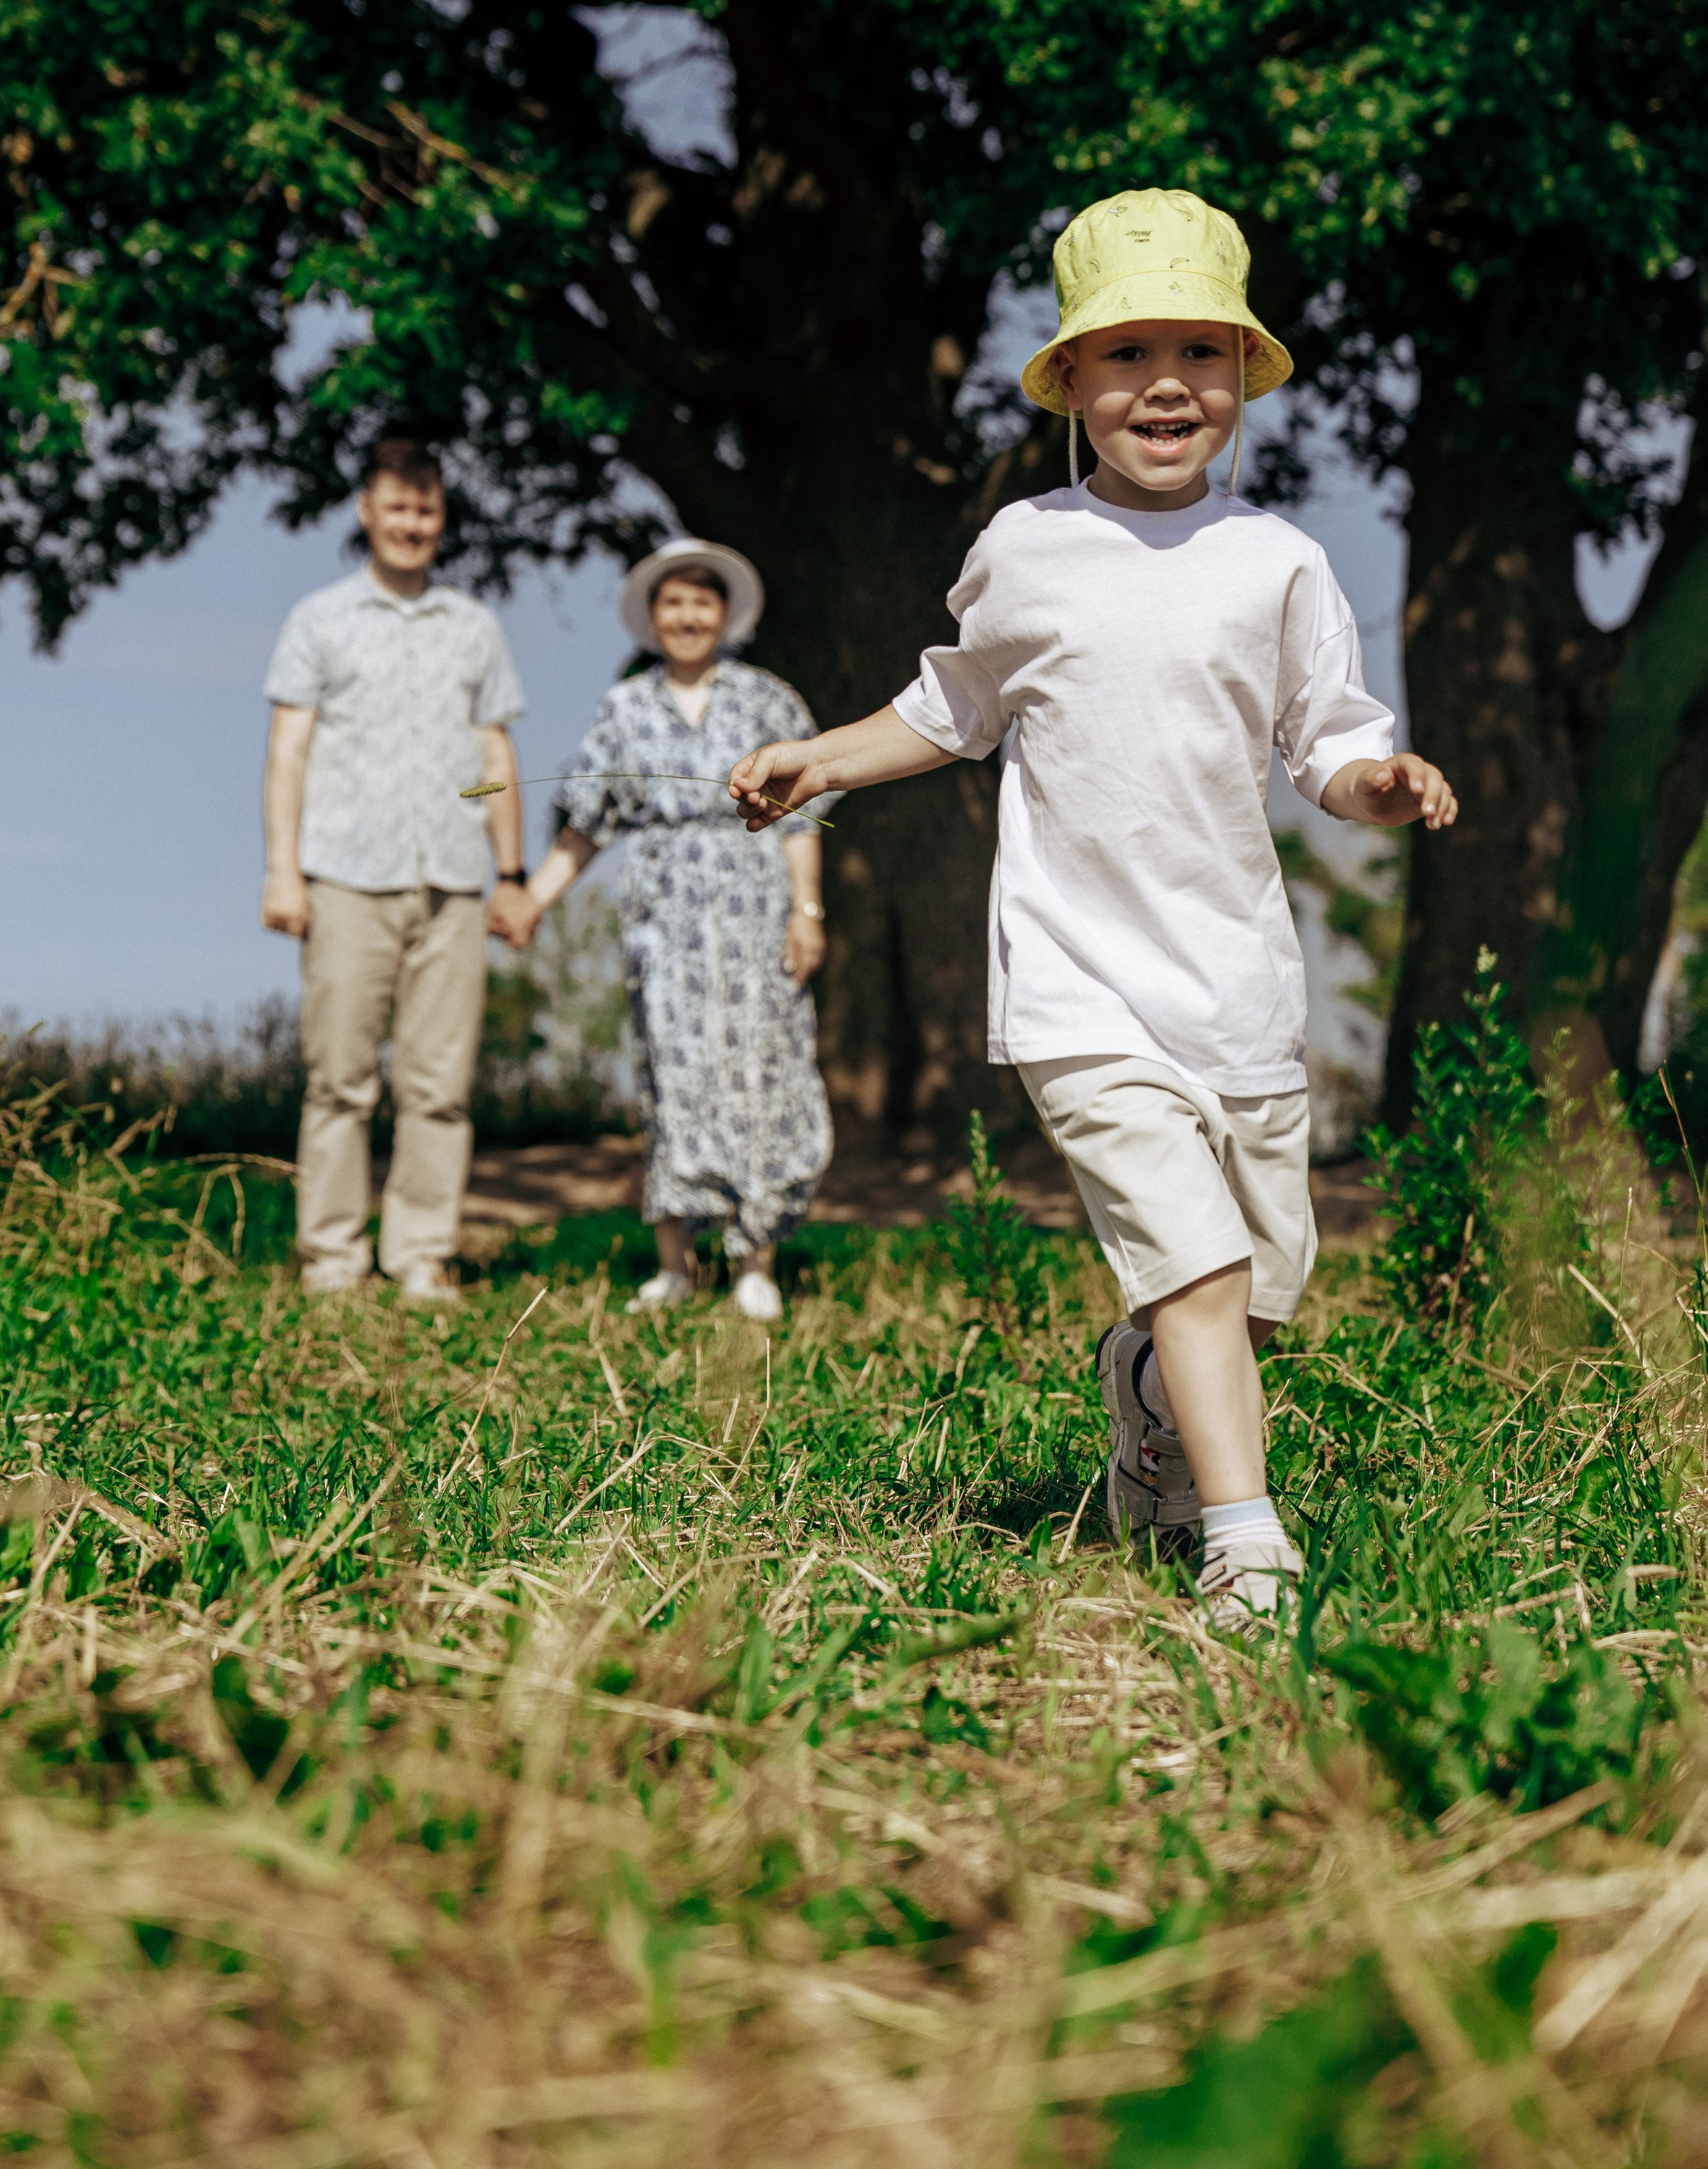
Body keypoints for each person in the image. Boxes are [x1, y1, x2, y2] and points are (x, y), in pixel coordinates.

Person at [727, 188, 1458, 1627]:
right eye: (1123, 356)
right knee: (1188, 1268)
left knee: (1245, 1293)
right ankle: (1244, 1540)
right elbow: (950, 704)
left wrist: (1375, 783)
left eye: (1198, 349)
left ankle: (1143, 1391)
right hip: (1079, 983)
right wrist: (819, 758)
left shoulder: (1278, 565)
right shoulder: (1026, 548)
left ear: (1242, 378)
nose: (1163, 383)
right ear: (1067, 384)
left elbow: (1324, 741)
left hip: (1234, 983)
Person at [517, 537, 833, 1323]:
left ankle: (753, 1258)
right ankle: (674, 1264)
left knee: (760, 1070)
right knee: (672, 1073)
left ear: (724, 613)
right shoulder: (625, 708)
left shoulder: (767, 699)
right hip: (665, 918)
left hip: (752, 903)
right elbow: (590, 823)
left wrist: (807, 911)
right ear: (652, 617)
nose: (687, 615)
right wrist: (533, 899)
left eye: (701, 601)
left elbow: (801, 819)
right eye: (672, 602)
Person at [261, 437, 535, 1303]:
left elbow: (496, 749)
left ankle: (421, 1255)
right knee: (340, 1079)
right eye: (398, 507)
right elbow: (288, 752)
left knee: (439, 1086)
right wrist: (283, 871)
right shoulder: (319, 619)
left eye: (426, 510)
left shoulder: (473, 626)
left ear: (440, 518)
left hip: (452, 881)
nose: (412, 524)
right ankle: (333, 1260)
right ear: (366, 511)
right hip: (344, 875)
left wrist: (513, 872)